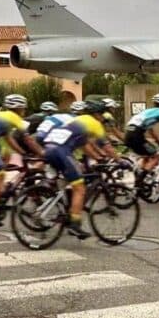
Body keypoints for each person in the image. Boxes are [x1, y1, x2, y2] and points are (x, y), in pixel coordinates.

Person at [39, 100, 117, 239]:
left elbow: (84, 145)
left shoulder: (78, 120)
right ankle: (74, 225)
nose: (104, 117)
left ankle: (63, 207)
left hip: (49, 149)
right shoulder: (95, 123)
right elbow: (107, 146)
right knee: (79, 187)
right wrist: (120, 160)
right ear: (97, 114)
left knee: (73, 178)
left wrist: (98, 158)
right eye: (103, 114)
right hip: (61, 151)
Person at [0, 94, 45, 225]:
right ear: (19, 109)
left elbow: (9, 139)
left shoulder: (1, 116)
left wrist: (23, 153)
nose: (24, 112)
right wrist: (42, 153)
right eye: (24, 109)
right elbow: (28, 139)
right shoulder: (14, 117)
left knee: (6, 154)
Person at [125, 93, 159, 193]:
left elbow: (150, 131)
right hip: (137, 135)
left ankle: (141, 175)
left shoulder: (147, 112)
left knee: (147, 155)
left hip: (129, 134)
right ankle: (140, 181)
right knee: (156, 156)